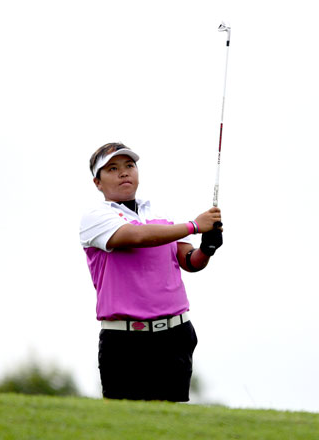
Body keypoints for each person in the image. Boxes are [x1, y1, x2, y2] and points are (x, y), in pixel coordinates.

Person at [79, 142, 223, 402]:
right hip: (125, 340)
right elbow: (137, 237)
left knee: (169, 424)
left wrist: (208, 249)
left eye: (129, 166)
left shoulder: (159, 214)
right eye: (112, 168)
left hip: (175, 335)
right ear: (97, 182)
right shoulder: (95, 217)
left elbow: (189, 261)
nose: (124, 173)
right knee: (125, 426)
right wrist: (193, 225)